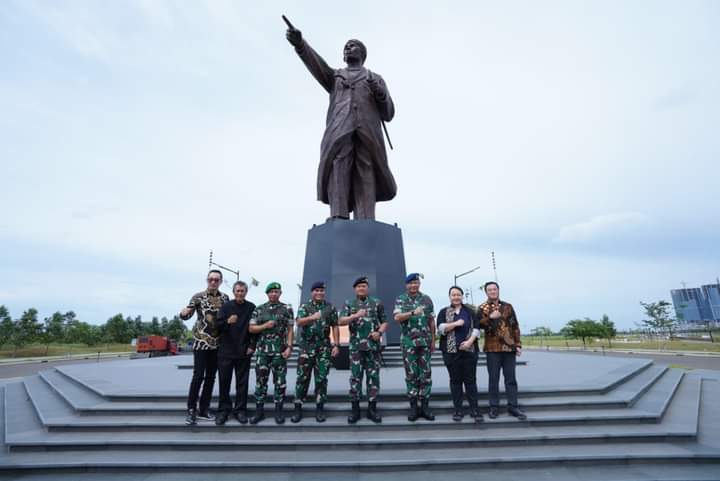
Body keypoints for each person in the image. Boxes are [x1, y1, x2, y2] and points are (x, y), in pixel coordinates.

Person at [286, 26, 396, 220]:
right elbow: (316, 64)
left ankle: (365, 217)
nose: (347, 48)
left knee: (366, 167)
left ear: (362, 53)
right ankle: (338, 214)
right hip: (340, 129)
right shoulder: (335, 77)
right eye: (346, 46)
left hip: (368, 133)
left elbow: (388, 113)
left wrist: (380, 92)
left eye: (352, 46)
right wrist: (301, 45)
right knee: (339, 165)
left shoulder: (374, 78)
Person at [179, 269, 229, 425]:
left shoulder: (225, 298)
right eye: (211, 279)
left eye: (216, 280)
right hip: (201, 341)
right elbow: (187, 315)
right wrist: (183, 313)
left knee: (211, 378)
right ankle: (191, 409)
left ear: (221, 281)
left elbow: (227, 320)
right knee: (198, 376)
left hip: (218, 344)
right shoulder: (198, 297)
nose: (213, 282)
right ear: (207, 280)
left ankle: (204, 409)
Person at [338, 277, 388, 423]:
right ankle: (355, 410)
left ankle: (372, 410)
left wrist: (379, 332)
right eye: (359, 286)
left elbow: (384, 321)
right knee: (355, 378)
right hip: (356, 348)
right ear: (355, 289)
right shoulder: (349, 303)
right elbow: (340, 321)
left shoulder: (376, 302)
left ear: (367, 288)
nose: (361, 288)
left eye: (364, 286)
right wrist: (355, 315)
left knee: (373, 379)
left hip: (373, 347)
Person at [291, 281, 340, 423]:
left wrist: (336, 345)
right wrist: (312, 317)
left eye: (321, 290)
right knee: (302, 379)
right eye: (316, 290)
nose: (319, 293)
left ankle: (319, 408)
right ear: (312, 292)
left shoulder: (330, 307)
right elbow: (299, 322)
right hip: (306, 347)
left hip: (323, 347)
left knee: (321, 379)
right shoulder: (305, 306)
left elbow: (335, 326)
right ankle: (298, 408)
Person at [478, 281, 526, 420]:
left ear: (498, 290)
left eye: (494, 289)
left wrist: (518, 344)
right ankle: (494, 407)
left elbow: (515, 326)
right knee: (493, 379)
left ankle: (513, 407)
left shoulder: (508, 307)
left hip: (509, 347)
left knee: (510, 379)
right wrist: (489, 318)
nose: (492, 292)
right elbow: (478, 324)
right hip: (492, 348)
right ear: (486, 292)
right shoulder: (482, 308)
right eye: (489, 290)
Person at [249, 282, 294, 424]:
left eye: (276, 291)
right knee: (260, 382)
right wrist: (265, 326)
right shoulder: (259, 309)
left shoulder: (287, 309)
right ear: (267, 293)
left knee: (280, 382)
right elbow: (251, 329)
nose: (274, 294)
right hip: (263, 352)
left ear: (280, 293)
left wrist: (289, 347)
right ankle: (259, 411)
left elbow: (290, 330)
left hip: (279, 352)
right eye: (271, 292)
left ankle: (279, 411)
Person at [393, 273, 436, 421]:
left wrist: (433, 340)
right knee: (411, 375)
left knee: (425, 374)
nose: (413, 285)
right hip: (408, 343)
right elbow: (397, 318)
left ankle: (425, 406)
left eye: (416, 283)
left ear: (419, 284)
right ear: (406, 285)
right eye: (411, 283)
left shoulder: (426, 299)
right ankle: (413, 407)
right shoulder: (401, 299)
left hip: (424, 342)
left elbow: (431, 321)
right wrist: (412, 312)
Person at [437, 286, 483, 422]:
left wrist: (469, 342)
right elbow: (441, 329)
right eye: (453, 295)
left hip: (469, 351)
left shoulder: (470, 311)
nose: (456, 297)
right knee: (455, 381)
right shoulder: (444, 312)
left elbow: (477, 328)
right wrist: (456, 323)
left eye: (458, 294)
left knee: (470, 381)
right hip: (451, 352)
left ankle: (474, 409)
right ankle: (458, 410)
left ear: (462, 296)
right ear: (449, 297)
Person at [214, 281, 256, 425]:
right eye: (237, 291)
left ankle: (240, 410)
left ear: (246, 292)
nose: (240, 293)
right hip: (225, 351)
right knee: (224, 383)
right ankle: (223, 410)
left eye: (242, 291)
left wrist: (252, 345)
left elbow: (254, 329)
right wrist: (227, 322)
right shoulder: (225, 307)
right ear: (233, 292)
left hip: (243, 351)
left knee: (242, 383)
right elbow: (217, 327)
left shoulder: (251, 307)